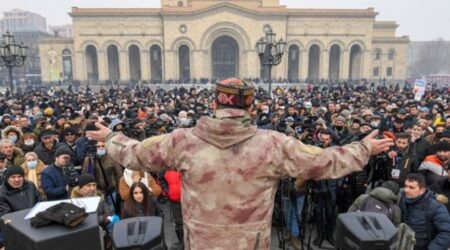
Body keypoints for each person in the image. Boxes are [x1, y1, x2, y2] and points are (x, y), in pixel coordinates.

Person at [87, 78, 393, 249]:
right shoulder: (272, 144)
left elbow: (137, 154)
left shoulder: (183, 141)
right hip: (250, 242)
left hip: (201, 242)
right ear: (250, 106)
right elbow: (324, 162)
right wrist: (364, 148)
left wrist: (112, 137)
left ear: (214, 104)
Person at [399, 173, 450, 250]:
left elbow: (446, 233)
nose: (406, 190)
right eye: (405, 186)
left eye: (411, 187)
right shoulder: (401, 200)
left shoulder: (436, 207)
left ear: (422, 190)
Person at [0, 165, 40, 247]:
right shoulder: (2, 193)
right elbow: (6, 216)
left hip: (35, 222)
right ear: (7, 179)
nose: (17, 180)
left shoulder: (30, 185)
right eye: (13, 177)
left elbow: (40, 201)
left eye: (19, 176)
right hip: (16, 228)